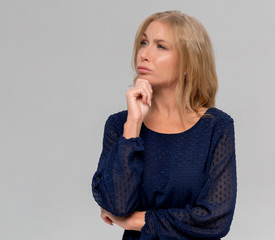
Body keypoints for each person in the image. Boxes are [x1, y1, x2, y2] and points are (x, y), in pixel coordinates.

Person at [91, 10, 237, 240]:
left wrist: (137, 221)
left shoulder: (216, 127)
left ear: (189, 62)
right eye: (144, 42)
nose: (144, 55)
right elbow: (115, 204)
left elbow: (215, 220)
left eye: (160, 46)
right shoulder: (120, 124)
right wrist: (134, 124)